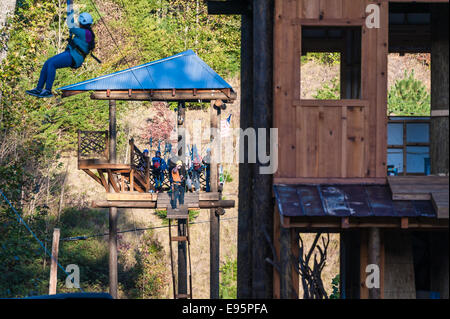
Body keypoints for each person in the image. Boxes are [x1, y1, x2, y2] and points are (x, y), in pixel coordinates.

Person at [26, 2, 96, 98]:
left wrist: (69, 4)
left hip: (74, 56)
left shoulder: (84, 32)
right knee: (47, 63)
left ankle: (47, 90)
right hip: (72, 54)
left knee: (52, 64)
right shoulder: (86, 32)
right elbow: (73, 27)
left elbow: (70, 24)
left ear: (81, 22)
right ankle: (39, 88)